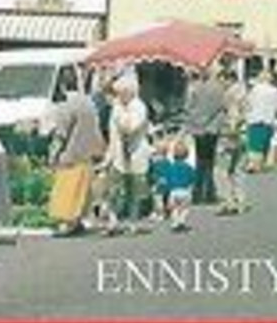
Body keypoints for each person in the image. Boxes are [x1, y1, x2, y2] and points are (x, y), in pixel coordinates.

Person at [47, 82, 106, 236]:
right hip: (87, 153)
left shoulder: (65, 106)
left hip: (70, 156)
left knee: (67, 191)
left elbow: (61, 135)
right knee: (82, 191)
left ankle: (67, 224)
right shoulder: (87, 102)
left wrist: (52, 156)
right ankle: (77, 221)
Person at [103, 75, 152, 234]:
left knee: (135, 191)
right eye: (118, 93)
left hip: (136, 153)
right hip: (117, 155)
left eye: (123, 92)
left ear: (131, 92)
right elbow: (113, 132)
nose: (119, 96)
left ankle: (133, 223)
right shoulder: (117, 107)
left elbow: (130, 127)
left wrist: (121, 115)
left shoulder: (139, 107)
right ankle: (112, 222)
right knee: (113, 189)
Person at [183, 65, 227, 205]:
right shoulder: (218, 88)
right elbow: (222, 107)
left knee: (199, 161)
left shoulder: (193, 88)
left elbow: (187, 108)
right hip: (212, 128)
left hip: (197, 128)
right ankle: (209, 193)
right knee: (209, 161)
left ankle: (197, 194)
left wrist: (195, 120)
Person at [216, 68, 249, 215]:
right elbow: (245, 113)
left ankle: (227, 202)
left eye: (221, 80)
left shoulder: (230, 95)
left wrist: (230, 129)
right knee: (238, 171)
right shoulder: (243, 93)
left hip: (229, 136)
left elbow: (233, 116)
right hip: (242, 136)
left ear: (228, 79)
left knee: (221, 171)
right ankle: (241, 200)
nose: (220, 83)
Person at [155, 138, 198, 232]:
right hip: (185, 191)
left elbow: (167, 179)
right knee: (184, 208)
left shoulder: (171, 167)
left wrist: (166, 187)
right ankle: (181, 221)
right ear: (186, 155)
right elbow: (193, 178)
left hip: (173, 191)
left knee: (174, 209)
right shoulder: (188, 167)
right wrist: (192, 187)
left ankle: (175, 223)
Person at [244, 69, 277, 171]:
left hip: (255, 119)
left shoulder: (254, 89)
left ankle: (253, 164)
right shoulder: (274, 91)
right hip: (268, 120)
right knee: (265, 142)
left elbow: (248, 103)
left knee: (254, 144)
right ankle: (262, 163)